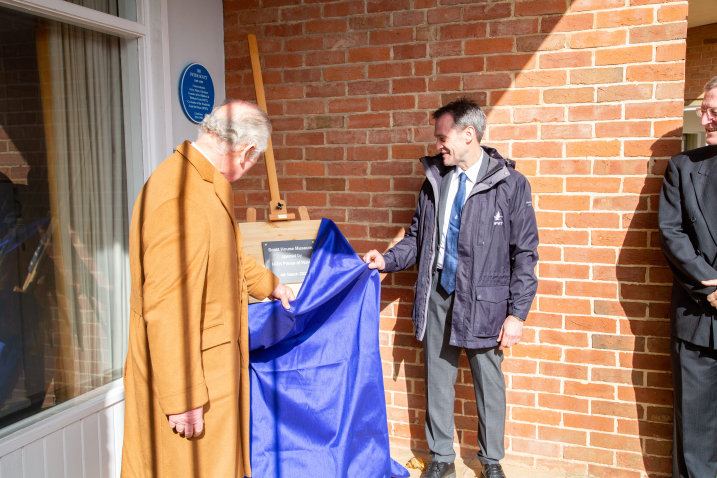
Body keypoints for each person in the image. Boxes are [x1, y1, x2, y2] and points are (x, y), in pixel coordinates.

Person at [363, 98, 539, 478]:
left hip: (486, 301)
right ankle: (441, 457)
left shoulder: (510, 184)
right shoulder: (435, 182)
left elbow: (525, 254)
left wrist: (517, 314)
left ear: (468, 135)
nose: (437, 144)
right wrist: (387, 261)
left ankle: (491, 461)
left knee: (488, 383)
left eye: (442, 137)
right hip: (439, 293)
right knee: (438, 378)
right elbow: (417, 238)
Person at [121, 100, 295, 478]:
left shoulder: (198, 180)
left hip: (205, 368)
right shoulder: (181, 198)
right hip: (192, 379)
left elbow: (226, 256)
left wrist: (271, 285)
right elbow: (167, 308)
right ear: (247, 151)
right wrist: (183, 396)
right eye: (254, 161)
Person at [658, 76, 717, 478]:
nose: (704, 118)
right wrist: (710, 286)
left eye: (714, 111)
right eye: (704, 109)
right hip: (698, 318)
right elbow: (671, 232)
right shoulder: (683, 166)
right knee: (695, 436)